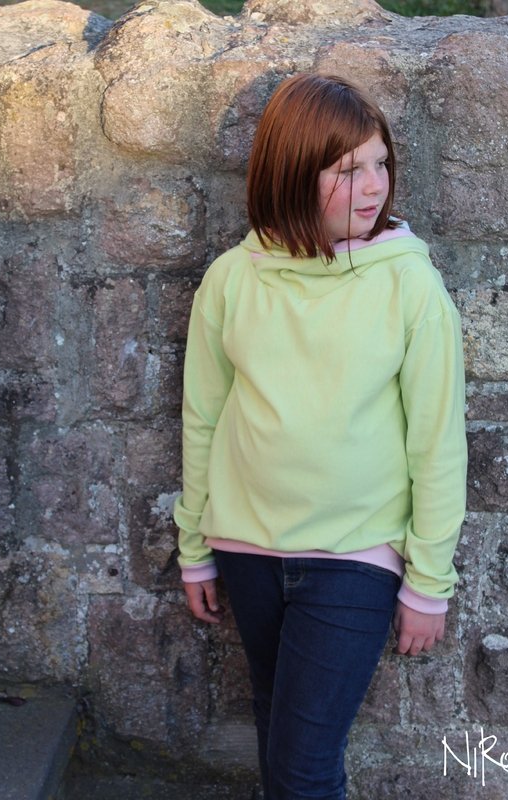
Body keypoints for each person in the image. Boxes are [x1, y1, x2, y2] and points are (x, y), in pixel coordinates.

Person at [174, 73, 467, 800]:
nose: (373, 186)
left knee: (302, 768)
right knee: (279, 743)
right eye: (346, 169)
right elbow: (203, 418)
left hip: (353, 559)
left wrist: (429, 584)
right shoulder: (231, 280)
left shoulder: (409, 285)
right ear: (290, 174)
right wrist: (196, 548)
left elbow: (436, 442)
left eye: (380, 163)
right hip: (247, 550)